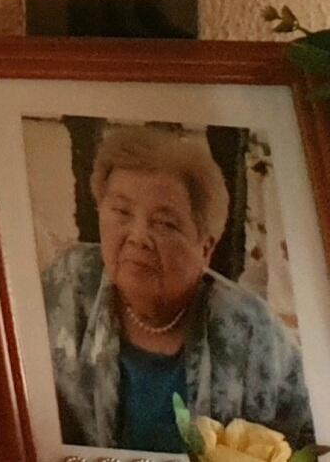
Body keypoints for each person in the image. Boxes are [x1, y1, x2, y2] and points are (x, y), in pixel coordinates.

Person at [44, 124, 314, 448]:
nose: (138, 236)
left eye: (165, 223)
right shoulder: (66, 285)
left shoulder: (252, 331)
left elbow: (311, 439)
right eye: (121, 211)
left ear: (205, 248)